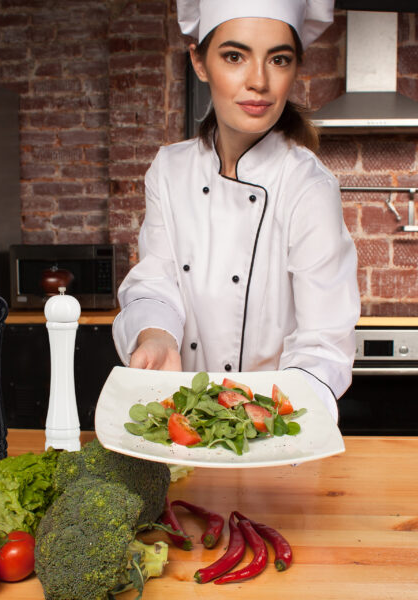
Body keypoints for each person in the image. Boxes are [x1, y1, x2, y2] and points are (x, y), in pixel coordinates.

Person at [112, 0, 360, 420]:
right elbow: (156, 280)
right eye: (234, 56)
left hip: (277, 436)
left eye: (278, 59)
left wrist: (271, 420)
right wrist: (156, 336)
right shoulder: (169, 171)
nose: (259, 81)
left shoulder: (308, 186)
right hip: (181, 428)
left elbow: (322, 344)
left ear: (295, 68)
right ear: (199, 62)